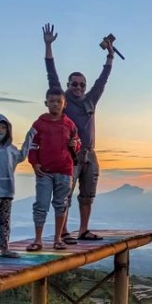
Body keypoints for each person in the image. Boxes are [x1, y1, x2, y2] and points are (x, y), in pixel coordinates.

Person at [42, 23, 115, 243]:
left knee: (88, 195)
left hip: (90, 153)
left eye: (82, 84)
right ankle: (63, 232)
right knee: (65, 194)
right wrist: (48, 46)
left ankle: (83, 230)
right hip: (70, 153)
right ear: (68, 85)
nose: (78, 87)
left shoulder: (91, 99)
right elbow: (51, 75)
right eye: (74, 84)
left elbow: (103, 80)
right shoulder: (63, 100)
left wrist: (110, 56)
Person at [26, 86, 81, 251]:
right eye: (52, 101)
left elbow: (77, 143)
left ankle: (58, 238)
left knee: (61, 204)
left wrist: (75, 145)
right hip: (45, 172)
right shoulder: (39, 124)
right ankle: (38, 240)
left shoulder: (70, 124)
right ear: (46, 103)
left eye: (59, 101)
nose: (55, 104)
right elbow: (32, 145)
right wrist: (34, 163)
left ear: (64, 104)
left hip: (65, 171)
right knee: (41, 204)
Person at [0, 114, 33, 262]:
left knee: (5, 222)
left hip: (8, 192)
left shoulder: (11, 149)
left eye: (3, 127)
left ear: (8, 130)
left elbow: (23, 155)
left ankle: (5, 248)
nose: (0, 130)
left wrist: (29, 137)